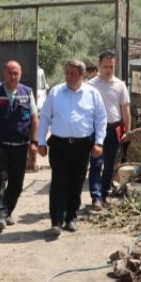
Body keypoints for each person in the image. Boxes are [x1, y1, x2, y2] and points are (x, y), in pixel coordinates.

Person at [37, 60, 106, 239]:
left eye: (72, 74)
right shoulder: (56, 92)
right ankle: (56, 221)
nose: (68, 77)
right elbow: (44, 117)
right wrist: (41, 142)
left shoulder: (92, 93)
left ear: (82, 75)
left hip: (82, 146)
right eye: (66, 73)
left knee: (76, 183)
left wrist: (99, 143)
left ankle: (71, 217)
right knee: (59, 182)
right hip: (59, 145)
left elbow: (100, 119)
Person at [0, 60, 39, 232]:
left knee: (17, 183)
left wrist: (34, 142)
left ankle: (7, 211)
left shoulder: (27, 93)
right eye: (10, 73)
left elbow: (34, 118)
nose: (13, 76)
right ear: (4, 74)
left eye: (16, 73)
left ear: (20, 74)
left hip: (20, 145)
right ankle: (0, 214)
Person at [87, 50, 131, 211]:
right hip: (96, 131)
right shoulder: (90, 86)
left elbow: (125, 110)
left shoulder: (120, 85)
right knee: (96, 164)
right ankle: (96, 198)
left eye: (111, 67)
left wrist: (128, 130)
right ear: (99, 66)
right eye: (105, 66)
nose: (108, 70)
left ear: (115, 66)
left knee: (110, 164)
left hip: (113, 130)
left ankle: (105, 194)